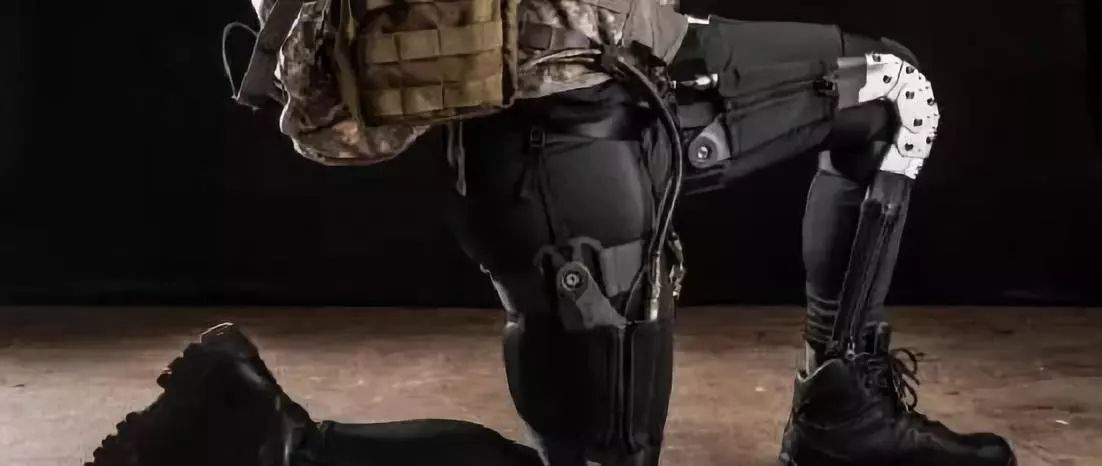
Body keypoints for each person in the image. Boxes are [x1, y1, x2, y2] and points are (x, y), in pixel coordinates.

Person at [88, 0, 1019, 465]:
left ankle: (844, 412)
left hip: (644, 58)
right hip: (553, 136)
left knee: (893, 92)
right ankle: (268, 438)